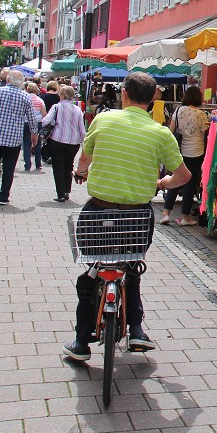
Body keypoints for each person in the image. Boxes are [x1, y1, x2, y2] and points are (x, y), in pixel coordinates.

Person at [62, 72, 190, 361]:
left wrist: (81, 173)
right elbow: (183, 175)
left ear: (124, 94)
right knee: (131, 269)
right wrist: (163, 183)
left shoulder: (103, 120)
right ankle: (136, 330)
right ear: (154, 98)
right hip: (137, 217)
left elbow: (84, 158)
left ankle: (81, 342)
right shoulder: (160, 133)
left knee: (93, 272)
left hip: (98, 212)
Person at [0, 70, 38, 206]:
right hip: (14, 138)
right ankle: (4, 196)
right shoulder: (25, 96)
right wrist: (34, 133)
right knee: (9, 167)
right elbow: (32, 118)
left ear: (8, 80)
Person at [161, 85, 209, 226]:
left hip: (180, 151)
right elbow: (204, 133)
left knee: (176, 180)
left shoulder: (178, 111)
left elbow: (171, 131)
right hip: (196, 152)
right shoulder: (202, 115)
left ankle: (165, 214)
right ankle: (185, 217)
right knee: (189, 184)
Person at [42, 85, 85, 202]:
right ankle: (67, 191)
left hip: (57, 140)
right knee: (69, 165)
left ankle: (60, 193)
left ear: (62, 95)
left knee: (58, 166)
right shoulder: (77, 110)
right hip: (73, 142)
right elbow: (82, 129)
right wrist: (84, 142)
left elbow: (46, 121)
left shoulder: (56, 107)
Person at [22, 83, 45, 172]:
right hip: (38, 122)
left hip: (26, 122)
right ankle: (38, 164)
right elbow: (43, 114)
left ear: (27, 90)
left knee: (26, 144)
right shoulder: (40, 100)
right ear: (36, 91)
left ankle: (27, 164)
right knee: (37, 143)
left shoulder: (24, 99)